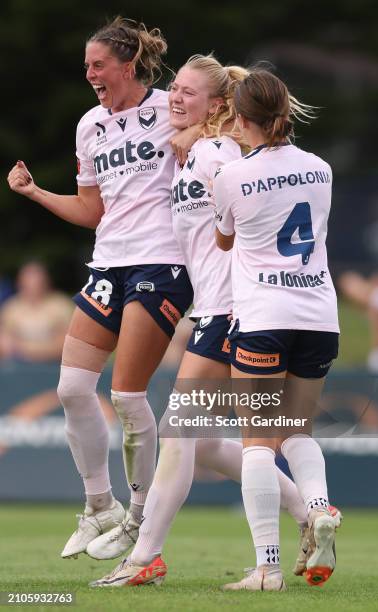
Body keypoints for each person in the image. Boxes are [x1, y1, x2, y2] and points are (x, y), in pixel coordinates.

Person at [89, 55, 314, 588]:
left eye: (189, 93)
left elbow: (257, 213)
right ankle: (311, 516)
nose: (175, 98)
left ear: (218, 105)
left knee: (179, 430)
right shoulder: (188, 154)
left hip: (235, 311)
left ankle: (145, 555)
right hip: (213, 310)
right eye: (174, 90)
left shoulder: (219, 153)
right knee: (207, 444)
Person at [7, 17, 196, 560]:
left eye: (98, 64)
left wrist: (194, 133)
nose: (89, 73)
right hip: (109, 264)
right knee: (70, 389)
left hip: (160, 264)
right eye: (87, 65)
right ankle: (100, 507)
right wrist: (36, 192)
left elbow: (219, 120)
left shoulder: (170, 109)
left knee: (127, 395)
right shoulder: (90, 124)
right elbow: (93, 210)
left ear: (127, 65)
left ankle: (139, 520)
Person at [213, 70, 340, 591]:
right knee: (298, 431)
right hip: (318, 317)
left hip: (264, 318)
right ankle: (317, 509)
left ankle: (266, 566)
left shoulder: (232, 176)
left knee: (257, 443)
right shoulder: (321, 167)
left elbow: (224, 242)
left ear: (241, 120)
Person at [0, 261, 72, 362]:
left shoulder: (61, 305)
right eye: (28, 282)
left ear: (46, 282)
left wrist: (23, 349)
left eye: (37, 281)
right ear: (20, 283)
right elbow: (5, 344)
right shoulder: (11, 307)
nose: (33, 285)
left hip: (55, 367)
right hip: (19, 369)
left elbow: (67, 344)